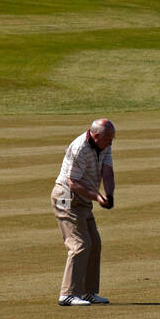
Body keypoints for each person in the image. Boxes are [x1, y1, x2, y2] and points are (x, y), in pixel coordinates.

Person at [51, 118, 115, 306]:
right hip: (66, 196)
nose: (111, 143)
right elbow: (73, 183)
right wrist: (97, 197)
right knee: (80, 243)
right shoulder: (79, 148)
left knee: (94, 243)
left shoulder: (104, 144)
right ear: (96, 136)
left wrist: (109, 194)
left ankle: (88, 292)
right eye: (108, 140)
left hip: (83, 198)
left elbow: (107, 170)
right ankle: (68, 294)